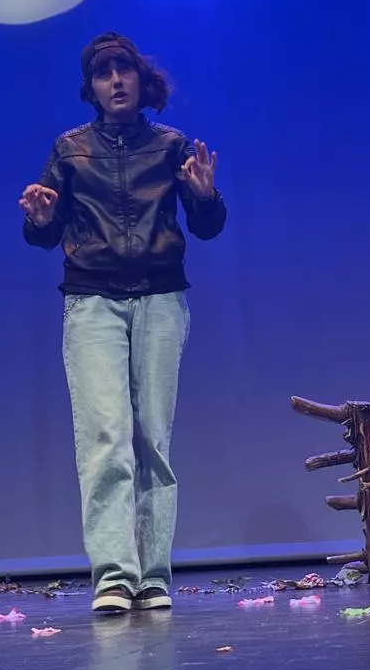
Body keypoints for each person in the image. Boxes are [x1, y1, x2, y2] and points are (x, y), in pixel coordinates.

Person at [19, 32, 226, 614]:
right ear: (91, 87)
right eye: (103, 73)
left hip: (160, 298)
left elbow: (207, 227)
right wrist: (40, 219)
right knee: (105, 439)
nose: (115, 81)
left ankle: (153, 576)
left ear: (139, 79)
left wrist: (206, 197)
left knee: (152, 438)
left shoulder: (170, 145)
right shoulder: (69, 149)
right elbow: (42, 232)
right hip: (92, 301)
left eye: (123, 70)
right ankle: (114, 575)